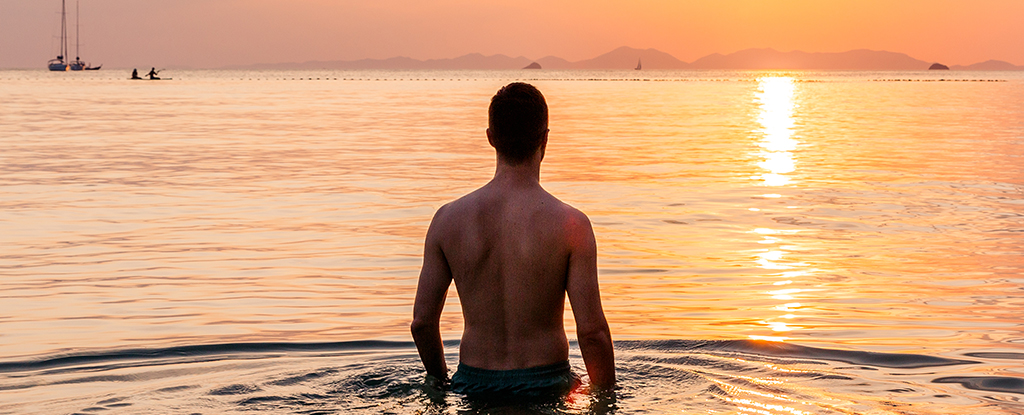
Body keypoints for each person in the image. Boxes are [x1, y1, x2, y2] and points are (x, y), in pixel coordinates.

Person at [411, 82, 615, 400]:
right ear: (545, 138)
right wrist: (607, 400)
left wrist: (442, 385)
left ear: (490, 137)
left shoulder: (447, 220)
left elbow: (422, 323)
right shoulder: (572, 225)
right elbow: (592, 333)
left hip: (473, 385)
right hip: (547, 385)